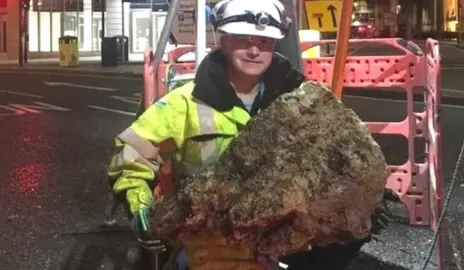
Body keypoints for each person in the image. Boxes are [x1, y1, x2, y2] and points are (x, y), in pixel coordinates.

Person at [107, 0, 391, 268]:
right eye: (243, 39)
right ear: (224, 40)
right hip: (211, 241)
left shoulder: (304, 103)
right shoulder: (182, 104)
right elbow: (130, 156)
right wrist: (141, 210)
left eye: (264, 41)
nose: (254, 50)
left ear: (275, 43)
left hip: (290, 242)